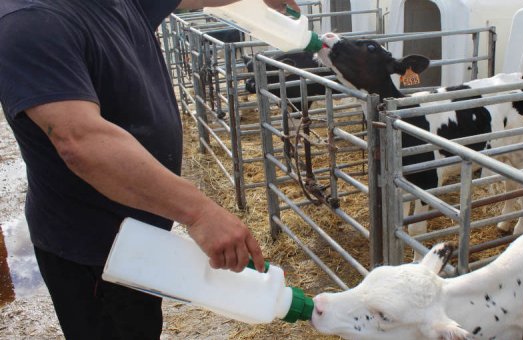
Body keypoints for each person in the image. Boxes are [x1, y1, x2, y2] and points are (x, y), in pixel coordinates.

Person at [0, 0, 299, 338]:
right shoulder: (31, 23)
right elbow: (81, 141)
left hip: (137, 236)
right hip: (95, 250)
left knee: (140, 326)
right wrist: (200, 212)